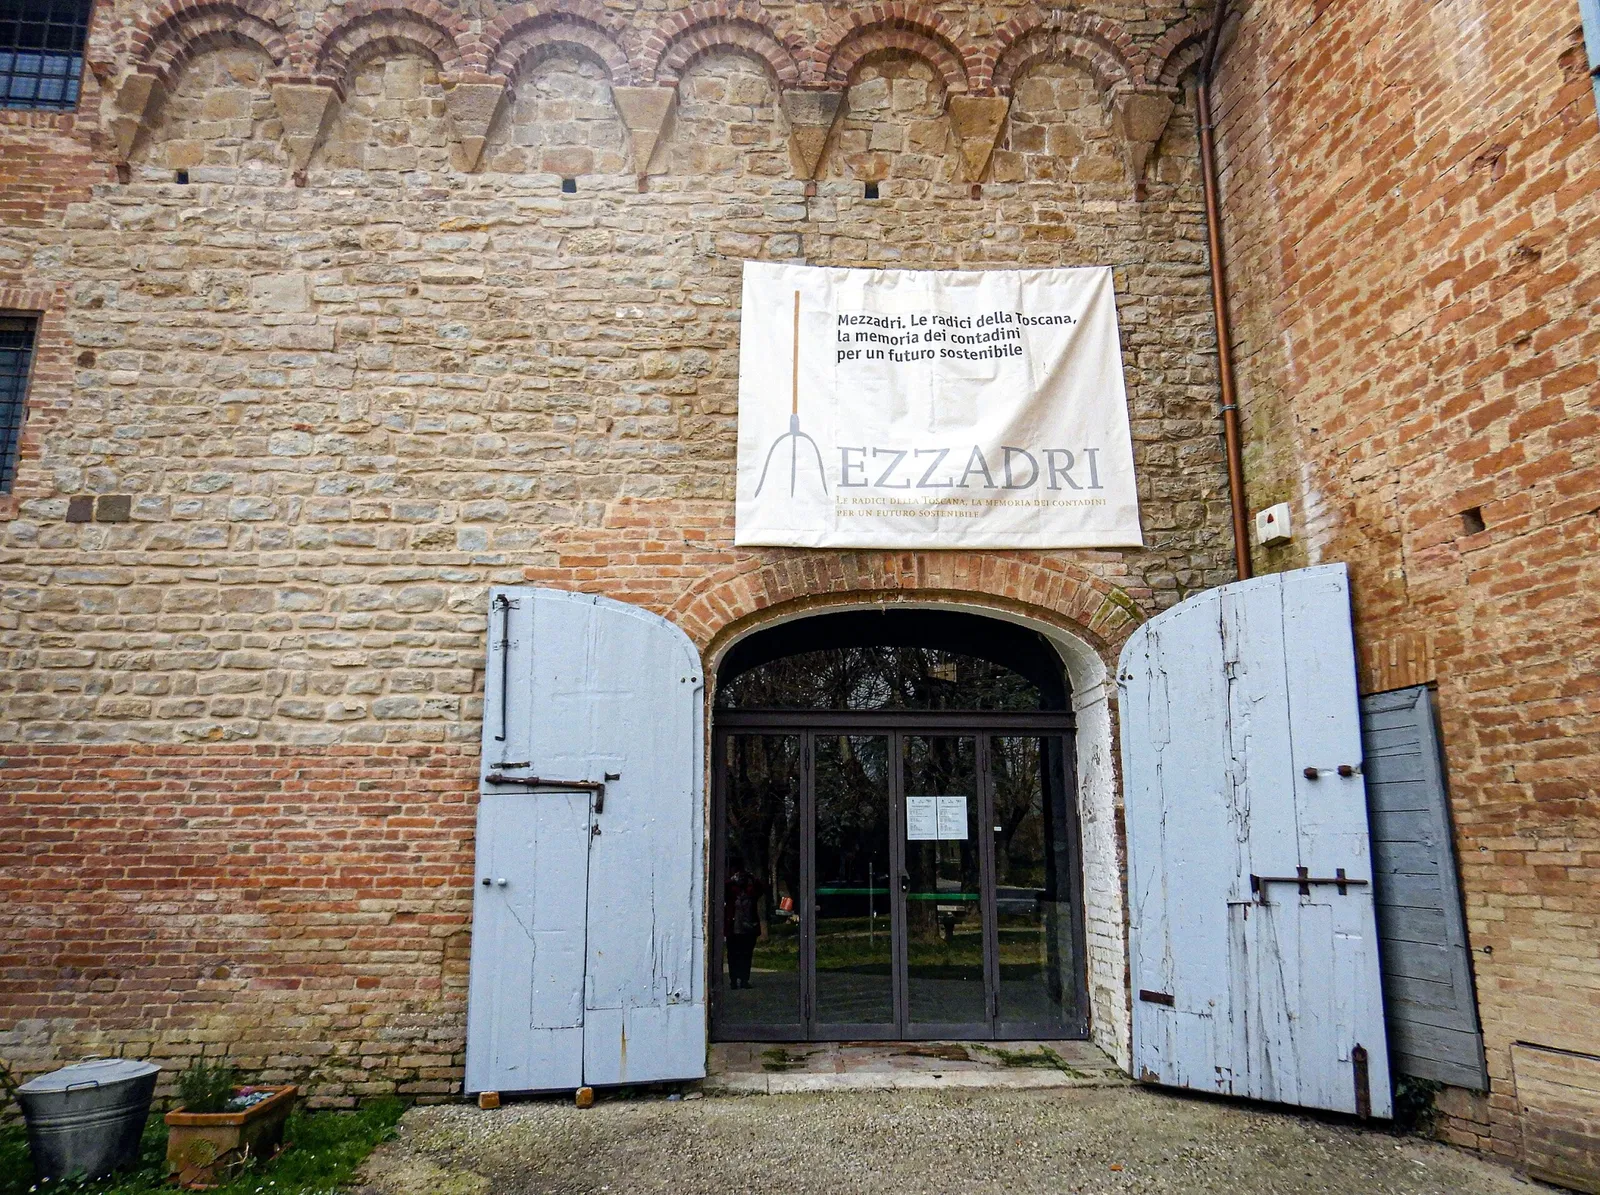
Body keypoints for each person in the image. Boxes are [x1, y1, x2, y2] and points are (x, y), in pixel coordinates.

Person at [723, 858, 763, 990]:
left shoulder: (751, 886)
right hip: (733, 926)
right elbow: (722, 890)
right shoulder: (730, 887)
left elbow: (761, 889)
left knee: (746, 954)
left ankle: (744, 979)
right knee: (733, 954)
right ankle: (734, 980)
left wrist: (751, 877)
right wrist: (732, 880)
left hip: (748, 926)